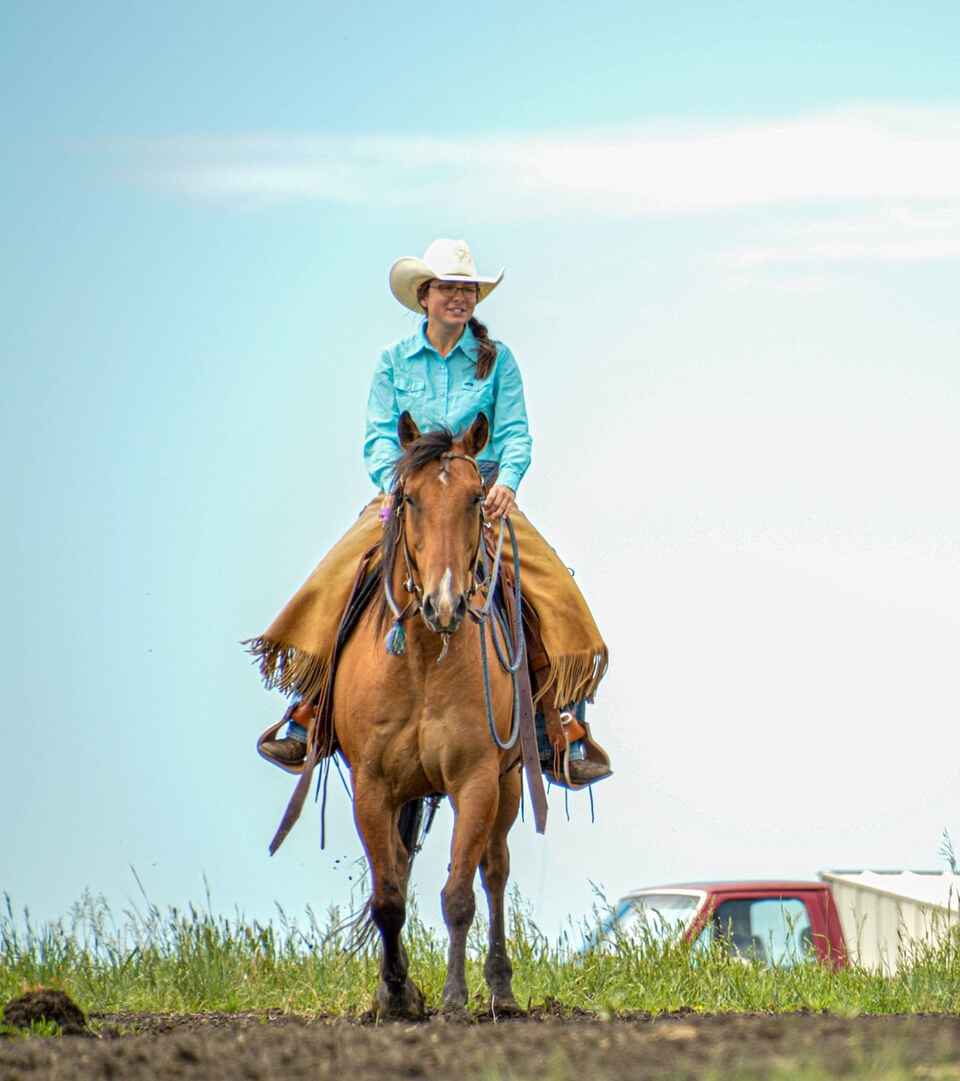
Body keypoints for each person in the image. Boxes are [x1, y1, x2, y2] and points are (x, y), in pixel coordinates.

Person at [249, 238, 612, 787]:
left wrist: (507, 485)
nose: (459, 298)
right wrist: (392, 489)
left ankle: (559, 722)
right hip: (408, 496)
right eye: (448, 289)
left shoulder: (499, 360)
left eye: (467, 290)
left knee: (553, 586)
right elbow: (377, 437)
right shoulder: (393, 361)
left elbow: (514, 433)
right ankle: (311, 709)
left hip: (479, 496)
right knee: (338, 577)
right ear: (425, 296)